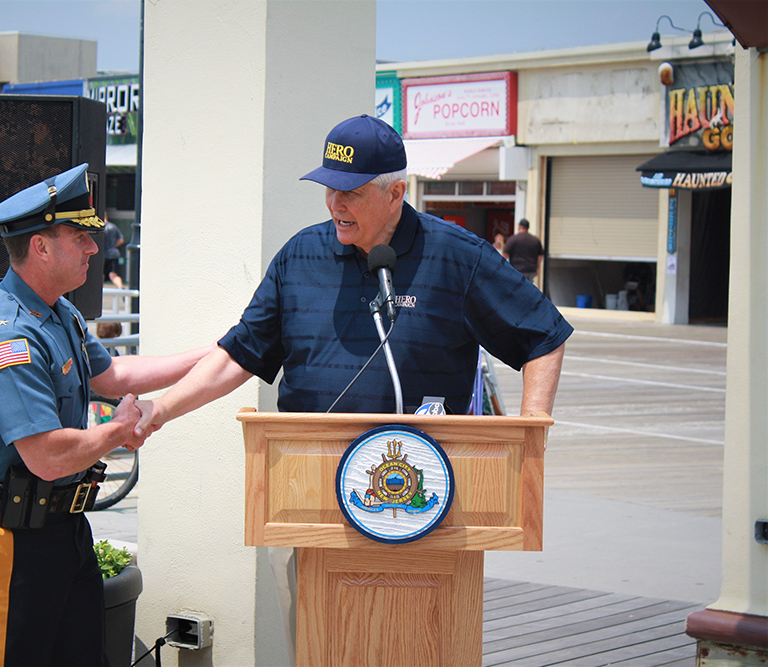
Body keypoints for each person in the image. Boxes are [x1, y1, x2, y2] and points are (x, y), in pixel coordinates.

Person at [132, 116, 572, 660]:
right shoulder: (301, 258)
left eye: (351, 193)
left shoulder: (456, 256)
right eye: (329, 189)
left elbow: (543, 335)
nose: (335, 204)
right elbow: (238, 354)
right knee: (319, 645)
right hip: (309, 502)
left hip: (429, 502)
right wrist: (161, 409)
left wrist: (530, 441)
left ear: (395, 193)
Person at [0, 163, 213, 667]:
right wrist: (118, 430)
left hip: (61, 530)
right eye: (79, 236)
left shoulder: (58, 312)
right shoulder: (7, 337)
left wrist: (218, 354)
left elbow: (113, 378)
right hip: (10, 539)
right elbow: (46, 456)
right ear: (41, 248)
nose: (94, 247)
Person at [502, 218, 544, 282]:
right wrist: (537, 268)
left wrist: (503, 268)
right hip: (531, 270)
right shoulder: (535, 240)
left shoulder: (513, 239)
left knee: (517, 288)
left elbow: (505, 254)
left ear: (519, 226)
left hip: (517, 270)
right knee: (528, 288)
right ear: (528, 227)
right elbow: (540, 256)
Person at [103, 214, 124, 288]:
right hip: (114, 253)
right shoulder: (114, 227)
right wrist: (113, 246)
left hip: (103, 254)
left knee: (100, 274)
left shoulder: (100, 227)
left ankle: (98, 292)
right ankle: (120, 288)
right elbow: (121, 240)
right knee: (113, 274)